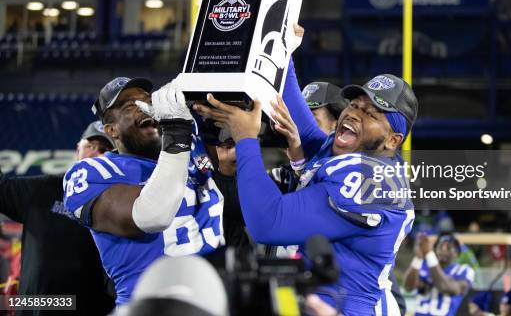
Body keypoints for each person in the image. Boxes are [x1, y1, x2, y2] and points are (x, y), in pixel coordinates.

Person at [195, 24, 418, 316]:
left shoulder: (372, 183)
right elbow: (298, 119)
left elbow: (268, 223)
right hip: (318, 301)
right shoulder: (352, 153)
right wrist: (282, 50)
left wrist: (246, 138)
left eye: (371, 113)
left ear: (392, 140)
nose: (353, 113)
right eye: (354, 104)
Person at [62, 77, 224, 305]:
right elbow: (151, 216)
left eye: (149, 101)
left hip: (215, 300)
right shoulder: (94, 172)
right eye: (130, 106)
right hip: (149, 307)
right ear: (112, 130)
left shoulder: (194, 145)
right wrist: (177, 136)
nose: (145, 108)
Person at [0, 121, 116, 316]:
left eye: (104, 149)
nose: (95, 153)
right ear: (77, 150)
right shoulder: (44, 190)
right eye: (90, 145)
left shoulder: (121, 204)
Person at [404, 233, 475, 316]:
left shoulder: (464, 270)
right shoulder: (424, 265)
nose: (443, 249)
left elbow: (445, 287)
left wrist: (429, 254)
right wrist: (418, 258)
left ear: (457, 253)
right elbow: (408, 287)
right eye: (441, 246)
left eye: (448, 247)